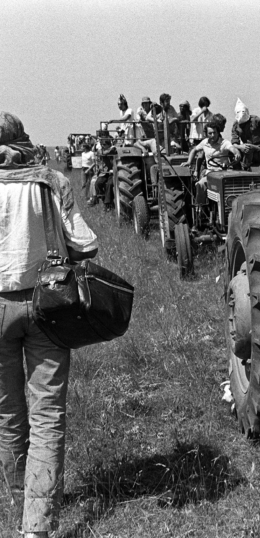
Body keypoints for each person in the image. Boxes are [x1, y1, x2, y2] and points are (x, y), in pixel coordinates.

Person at [0, 112, 98, 538]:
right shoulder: (50, 180)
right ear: (23, 139)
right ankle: (36, 526)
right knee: (47, 414)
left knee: (6, 411)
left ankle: (16, 498)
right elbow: (85, 243)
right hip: (46, 306)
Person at [183, 113, 240, 226]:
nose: (213, 135)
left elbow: (232, 148)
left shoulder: (224, 143)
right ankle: (200, 209)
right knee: (200, 184)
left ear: (218, 132)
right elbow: (194, 150)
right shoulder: (205, 143)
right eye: (210, 133)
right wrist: (189, 162)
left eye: (215, 132)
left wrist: (237, 153)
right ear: (207, 134)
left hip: (224, 173)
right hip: (210, 174)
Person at [231, 98, 260, 168]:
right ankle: (237, 171)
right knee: (231, 151)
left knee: (249, 146)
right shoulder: (235, 125)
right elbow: (234, 143)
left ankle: (245, 166)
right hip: (247, 151)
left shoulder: (255, 120)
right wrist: (240, 146)